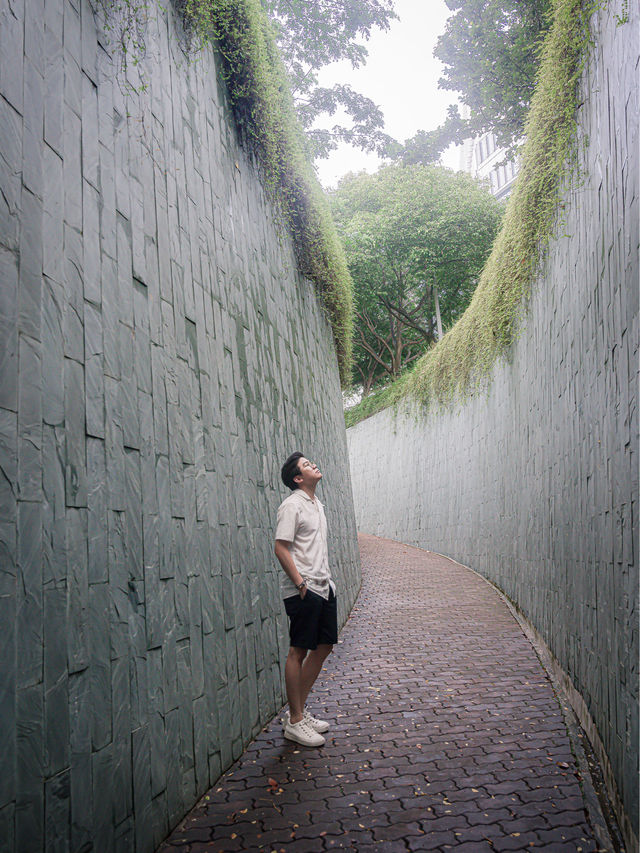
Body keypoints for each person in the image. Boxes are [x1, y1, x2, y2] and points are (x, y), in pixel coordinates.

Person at [274, 452, 337, 747]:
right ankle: (295, 721)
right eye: (306, 465)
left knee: (323, 646)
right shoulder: (291, 505)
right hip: (305, 588)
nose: (313, 464)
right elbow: (280, 547)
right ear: (298, 478)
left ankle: (298, 711)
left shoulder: (316, 504)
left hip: (324, 586)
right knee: (298, 651)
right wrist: (300, 584)